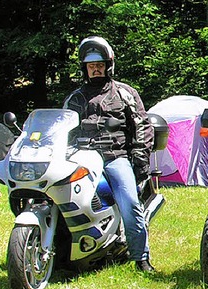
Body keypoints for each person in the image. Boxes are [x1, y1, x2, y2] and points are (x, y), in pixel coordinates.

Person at [63, 36, 156, 272]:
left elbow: (143, 126)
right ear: (85, 68)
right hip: (81, 157)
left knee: (129, 202)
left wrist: (140, 157)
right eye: (91, 66)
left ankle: (140, 257)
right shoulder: (74, 98)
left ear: (108, 65)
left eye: (100, 65)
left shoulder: (125, 93)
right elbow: (61, 128)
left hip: (115, 157)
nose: (96, 69)